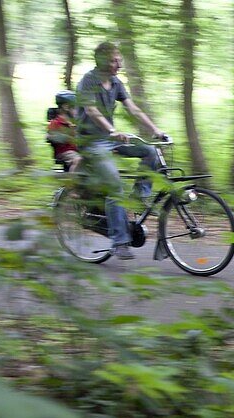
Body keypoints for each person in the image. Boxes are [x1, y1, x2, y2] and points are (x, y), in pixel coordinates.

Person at [76, 41, 167, 260]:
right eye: (114, 59)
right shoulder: (89, 81)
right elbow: (91, 110)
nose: (118, 63)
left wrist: (155, 130)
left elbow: (132, 108)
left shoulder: (116, 83)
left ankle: (137, 198)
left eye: (119, 59)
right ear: (101, 61)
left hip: (111, 139)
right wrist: (112, 130)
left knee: (151, 152)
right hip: (92, 143)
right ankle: (119, 241)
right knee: (114, 186)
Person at [46, 91, 82, 172]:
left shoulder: (74, 122)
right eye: (75, 108)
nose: (77, 111)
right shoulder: (56, 122)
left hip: (77, 149)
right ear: (66, 107)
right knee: (78, 160)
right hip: (65, 152)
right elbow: (49, 136)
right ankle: (71, 183)